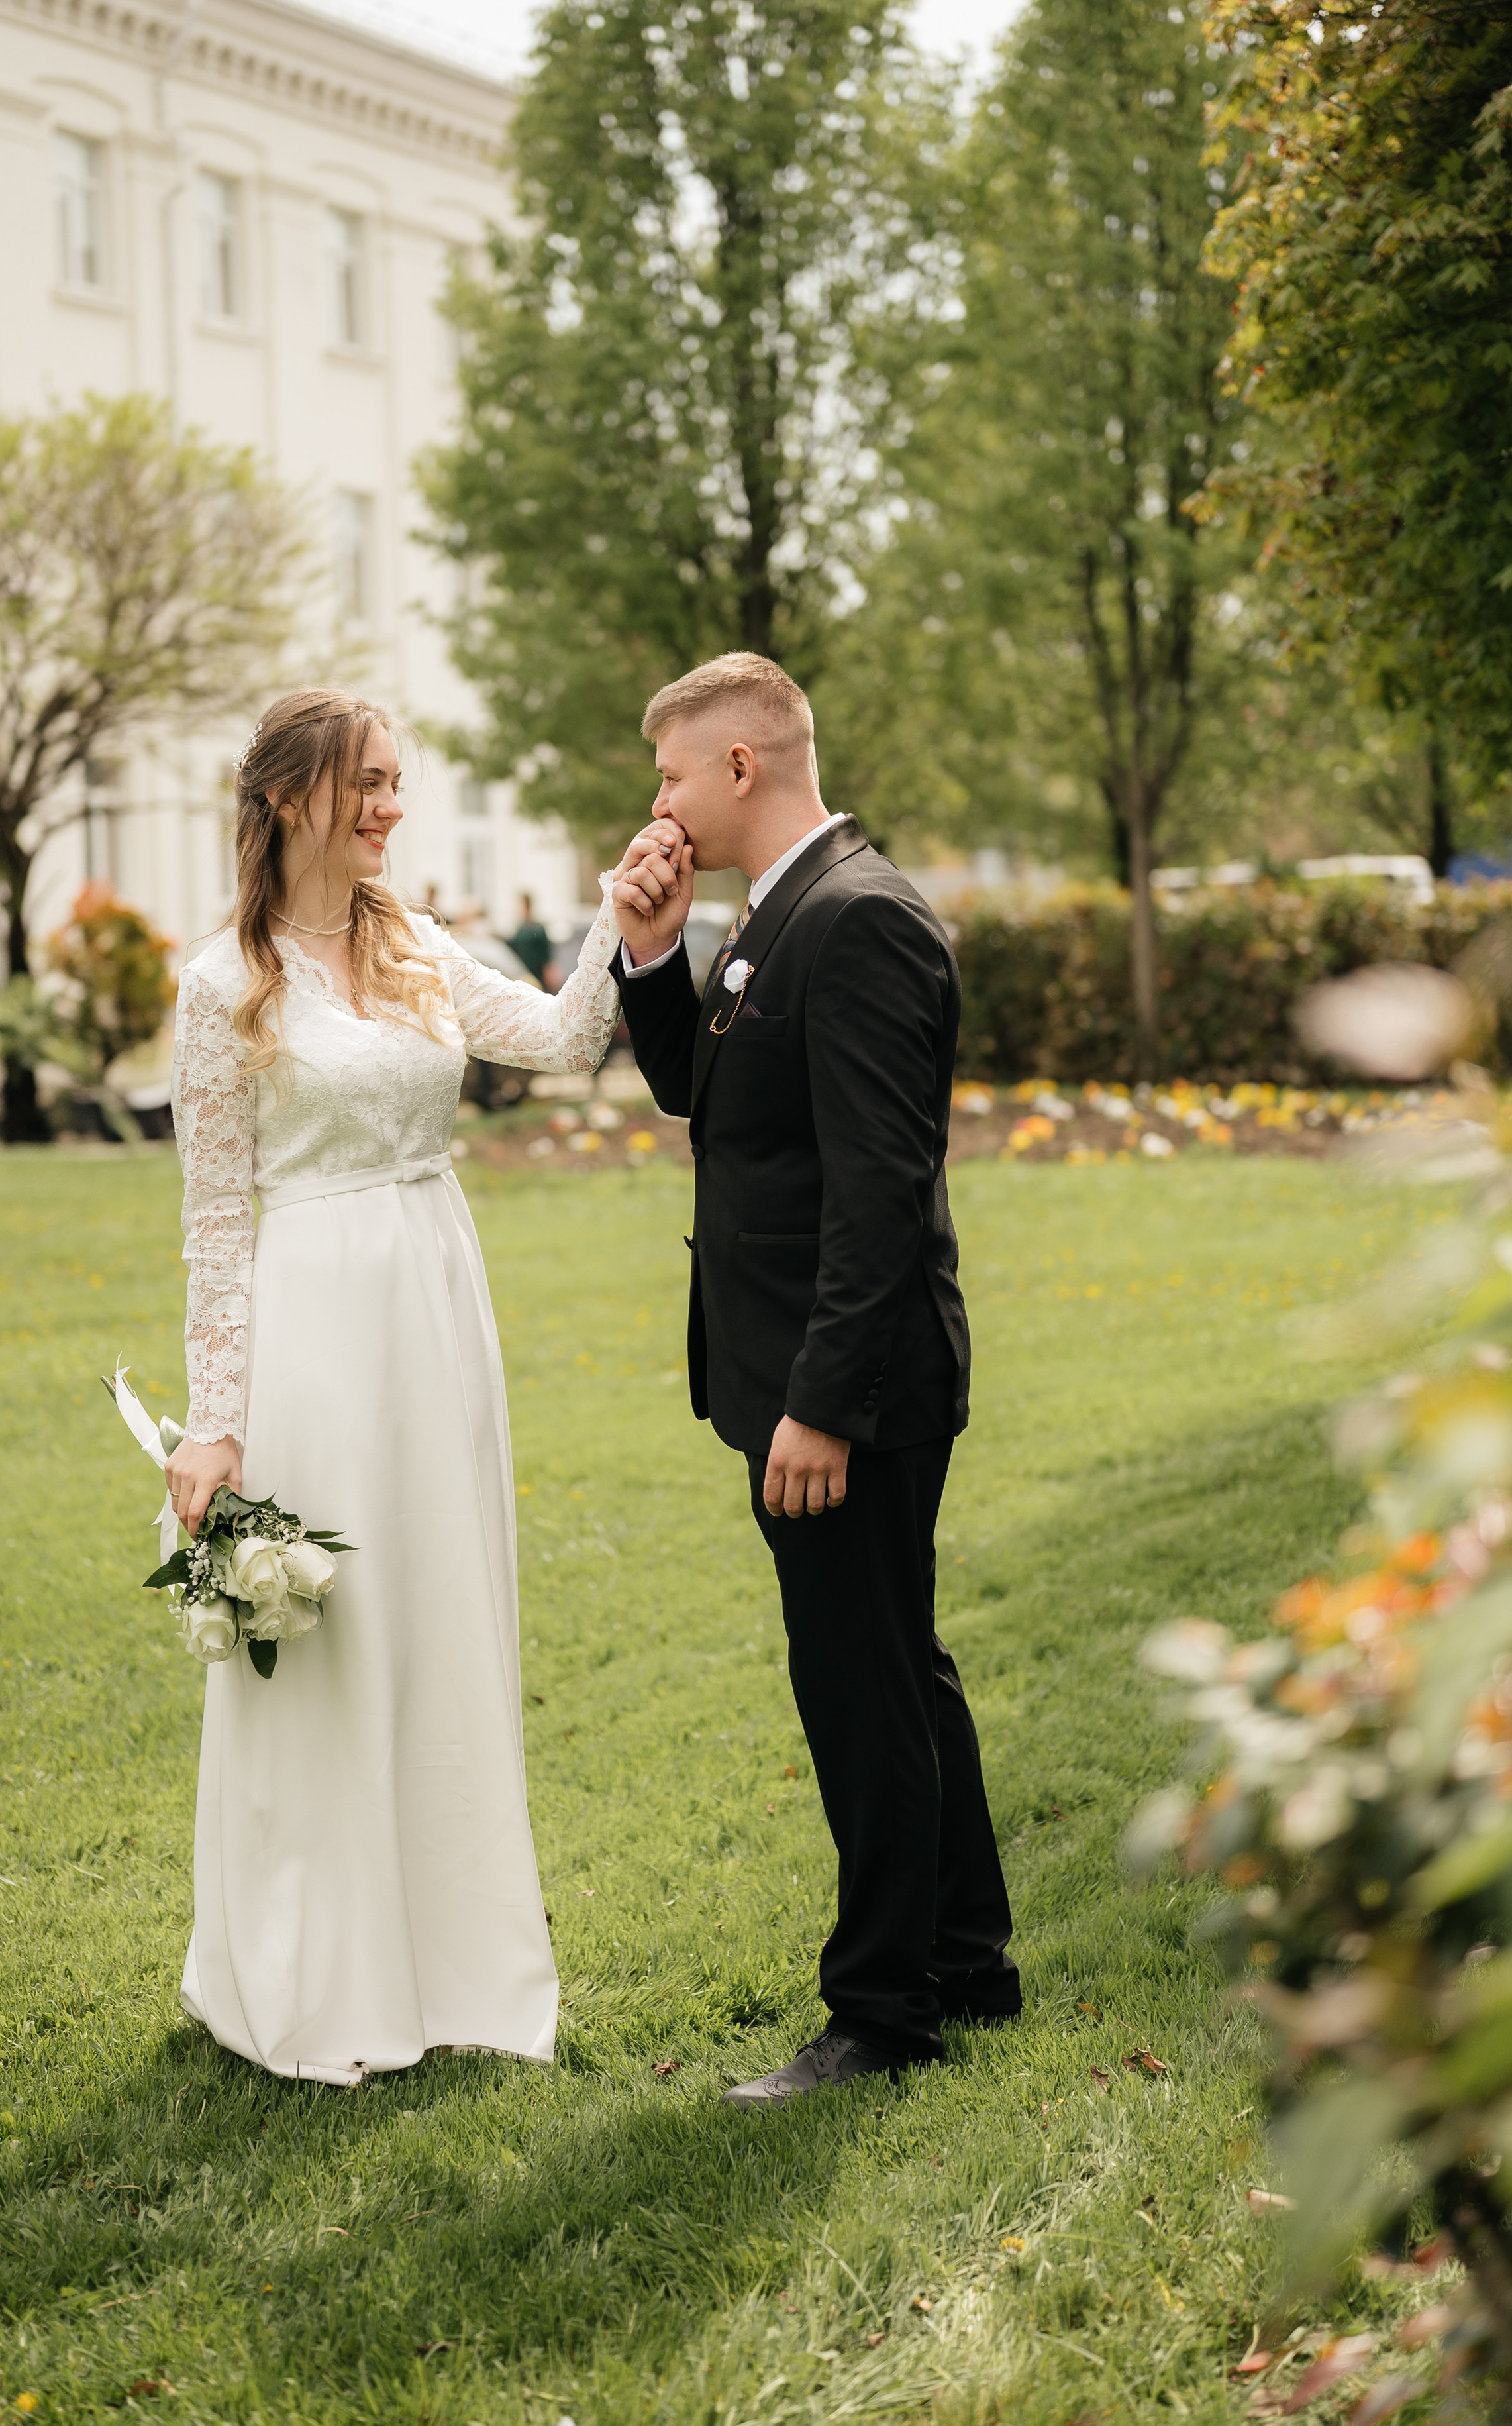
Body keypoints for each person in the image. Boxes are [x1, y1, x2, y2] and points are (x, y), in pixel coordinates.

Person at [163, 687, 623, 2084]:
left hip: (436, 1300)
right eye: (366, 782)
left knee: (442, 1614)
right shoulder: (219, 984)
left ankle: (458, 1961)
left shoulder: (416, 941)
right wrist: (216, 1423)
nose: (390, 807)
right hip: (314, 1319)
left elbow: (563, 1038)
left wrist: (622, 916)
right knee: (336, 1639)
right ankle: (316, 1970)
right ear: (288, 795)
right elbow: (216, 1218)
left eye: (394, 782)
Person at [609, 651, 1019, 2109]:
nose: (657, 802)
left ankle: (882, 2014)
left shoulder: (858, 920)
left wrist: (823, 1405)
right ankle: (967, 1962)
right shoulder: (775, 912)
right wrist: (651, 949)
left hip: (849, 1389)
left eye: (670, 773)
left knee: (858, 1687)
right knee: (896, 1666)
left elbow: (880, 1192)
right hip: (801, 1376)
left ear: (739, 766)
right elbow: (705, 1095)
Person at [507, 893, 554, 986]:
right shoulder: (519, 929)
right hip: (523, 971)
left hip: (536, 970)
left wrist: (549, 972)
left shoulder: (537, 928)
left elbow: (546, 954)